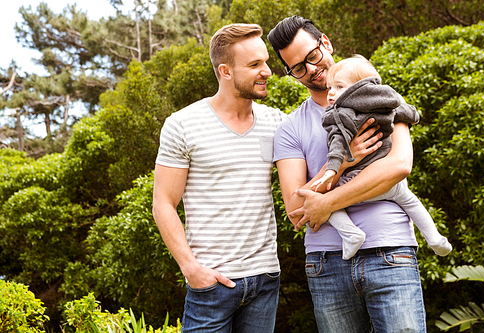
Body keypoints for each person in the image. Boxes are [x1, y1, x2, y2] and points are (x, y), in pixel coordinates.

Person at [268, 16, 428, 332]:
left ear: (325, 43)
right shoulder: (289, 129)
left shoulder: (382, 98)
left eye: (312, 57)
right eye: (298, 68)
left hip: (391, 253)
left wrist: (326, 202)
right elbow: (297, 210)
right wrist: (343, 162)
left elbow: (398, 166)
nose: (311, 69)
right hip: (326, 264)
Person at [152, 23, 284, 333]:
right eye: (254, 65)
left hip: (265, 280)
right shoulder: (183, 125)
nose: (267, 71)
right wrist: (192, 270)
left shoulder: (277, 123)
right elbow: (163, 203)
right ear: (225, 71)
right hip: (211, 286)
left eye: (265, 61)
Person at [311, 55, 452, 259]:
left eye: (339, 87)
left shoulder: (342, 114)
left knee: (325, 204)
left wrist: (332, 169)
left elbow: (338, 143)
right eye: (330, 87)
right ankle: (435, 239)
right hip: (389, 183)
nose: (331, 93)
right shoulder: (387, 103)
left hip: (359, 181)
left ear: (359, 88)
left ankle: (351, 235)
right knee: (412, 202)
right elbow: (408, 113)